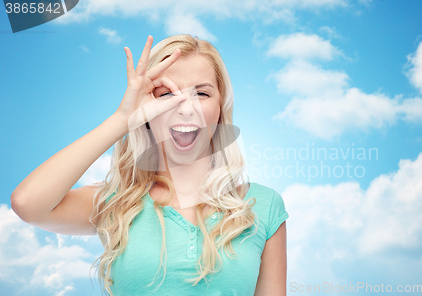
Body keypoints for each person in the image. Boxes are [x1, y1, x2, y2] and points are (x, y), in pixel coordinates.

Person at [11, 34, 289, 296]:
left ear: (220, 107)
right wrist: (122, 119)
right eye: (166, 94)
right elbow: (28, 204)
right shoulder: (116, 203)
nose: (185, 108)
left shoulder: (261, 206)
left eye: (202, 94)